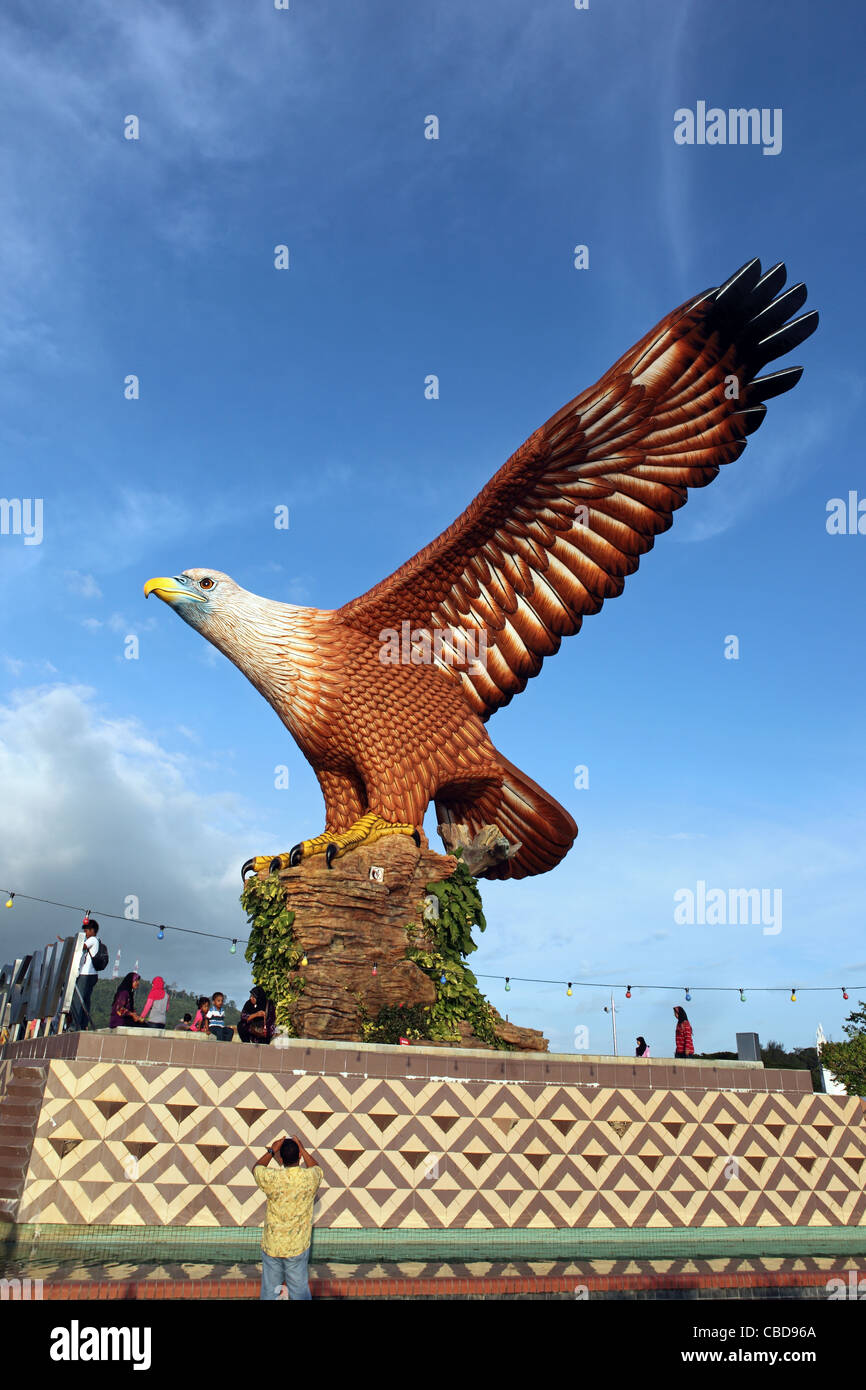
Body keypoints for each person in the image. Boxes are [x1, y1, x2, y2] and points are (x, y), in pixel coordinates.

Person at [253, 1134, 323, 1301]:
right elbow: (317, 1167)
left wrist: (272, 1150)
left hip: (273, 1246)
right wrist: (302, 1148)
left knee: (270, 1292)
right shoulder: (309, 1178)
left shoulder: (273, 1178)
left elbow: (256, 1168)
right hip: (297, 1246)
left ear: (281, 1158)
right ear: (299, 1156)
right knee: (299, 1291)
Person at [69, 918, 103, 1031]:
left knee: (78, 1000)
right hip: (91, 975)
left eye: (87, 931)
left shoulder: (92, 939)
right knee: (85, 1000)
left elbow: (80, 946)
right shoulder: (96, 940)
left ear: (92, 930)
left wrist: (66, 943)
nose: (85, 933)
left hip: (86, 974)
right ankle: (83, 1024)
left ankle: (75, 1025)